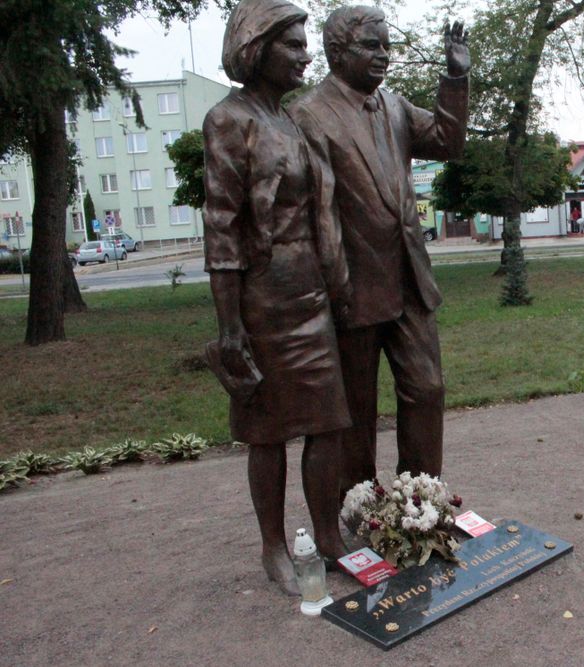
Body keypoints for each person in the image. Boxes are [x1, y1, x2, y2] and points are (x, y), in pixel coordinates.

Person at [202, 0, 350, 595]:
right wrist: (229, 325)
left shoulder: (290, 121)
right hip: (262, 299)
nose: (305, 56)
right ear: (257, 48)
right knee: (267, 431)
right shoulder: (228, 119)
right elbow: (222, 226)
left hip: (311, 294)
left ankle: (328, 536)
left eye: (305, 44)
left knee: (328, 423)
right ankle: (273, 547)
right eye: (292, 44)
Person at [290, 7, 469, 491]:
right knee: (356, 410)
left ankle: (420, 500)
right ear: (337, 52)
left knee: (427, 389)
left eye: (387, 45)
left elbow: (447, 141)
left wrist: (455, 78)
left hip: (409, 279)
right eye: (372, 45)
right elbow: (316, 212)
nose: (384, 55)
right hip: (352, 286)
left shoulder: (394, 106)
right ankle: (360, 506)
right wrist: (332, 286)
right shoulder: (308, 115)